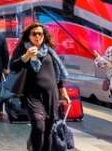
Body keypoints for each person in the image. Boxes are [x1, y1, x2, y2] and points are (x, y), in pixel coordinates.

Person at [8, 23, 70, 151]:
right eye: (34, 34)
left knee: (48, 129)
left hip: (51, 94)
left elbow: (57, 73)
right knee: (38, 126)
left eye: (40, 34)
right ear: (28, 36)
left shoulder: (49, 51)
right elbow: (13, 67)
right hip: (32, 94)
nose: (37, 36)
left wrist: (63, 91)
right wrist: (26, 57)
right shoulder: (23, 49)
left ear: (44, 35)